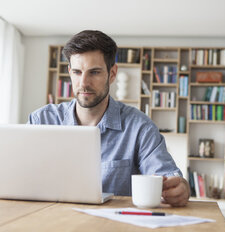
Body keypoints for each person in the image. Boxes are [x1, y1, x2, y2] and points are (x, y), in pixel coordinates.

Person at [28, 30, 190, 206]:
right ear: (69, 72)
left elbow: (167, 176)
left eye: (94, 72)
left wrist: (180, 187)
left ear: (112, 74)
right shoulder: (41, 120)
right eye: (76, 72)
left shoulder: (140, 127)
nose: (83, 83)